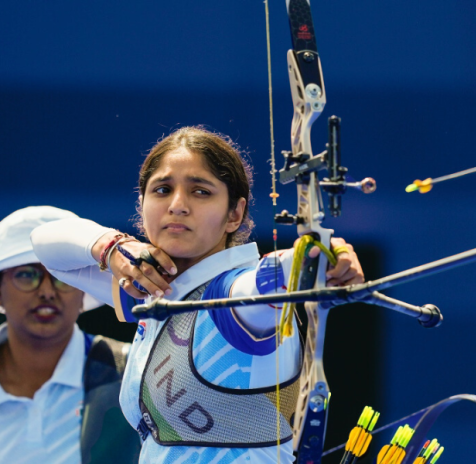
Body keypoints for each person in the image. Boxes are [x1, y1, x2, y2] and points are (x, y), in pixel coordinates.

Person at [32, 126, 364, 463]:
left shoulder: (233, 297)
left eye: (200, 192)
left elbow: (271, 280)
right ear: (142, 204)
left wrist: (321, 256)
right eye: (162, 189)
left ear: (234, 213)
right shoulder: (154, 290)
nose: (177, 205)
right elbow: (46, 246)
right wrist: (113, 247)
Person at [0, 206, 141, 464]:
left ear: (84, 291)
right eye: (27, 275)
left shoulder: (138, 373)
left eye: (60, 277)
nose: (46, 291)